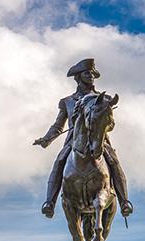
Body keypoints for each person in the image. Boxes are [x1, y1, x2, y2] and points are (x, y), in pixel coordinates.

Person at [33, 58, 132, 219]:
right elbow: (58, 126)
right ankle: (49, 202)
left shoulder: (103, 99)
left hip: (99, 140)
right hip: (74, 142)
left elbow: (111, 124)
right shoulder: (67, 102)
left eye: (93, 74)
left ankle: (124, 202)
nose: (92, 76)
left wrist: (102, 126)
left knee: (114, 162)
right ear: (78, 77)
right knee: (59, 162)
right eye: (88, 73)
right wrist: (46, 139)